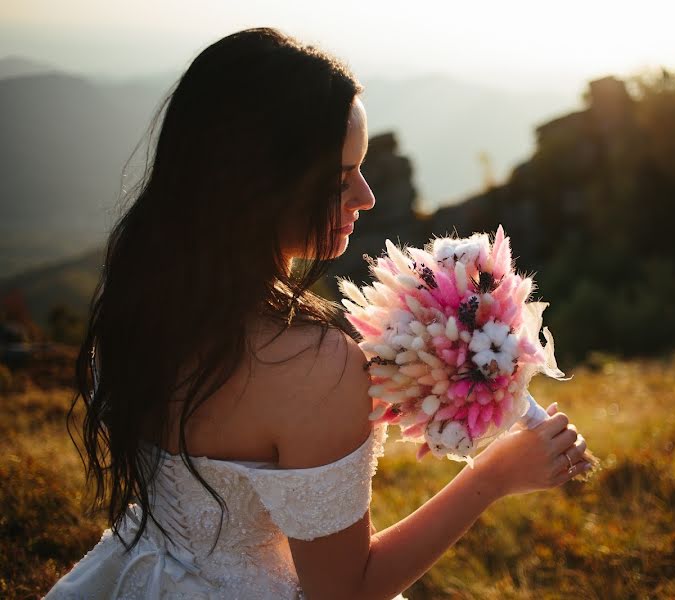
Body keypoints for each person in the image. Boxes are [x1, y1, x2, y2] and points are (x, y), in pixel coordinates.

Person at [45, 27, 592, 600]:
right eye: (338, 179)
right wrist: (494, 476)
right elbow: (345, 591)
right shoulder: (310, 364)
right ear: (258, 185)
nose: (366, 196)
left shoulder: (147, 299)